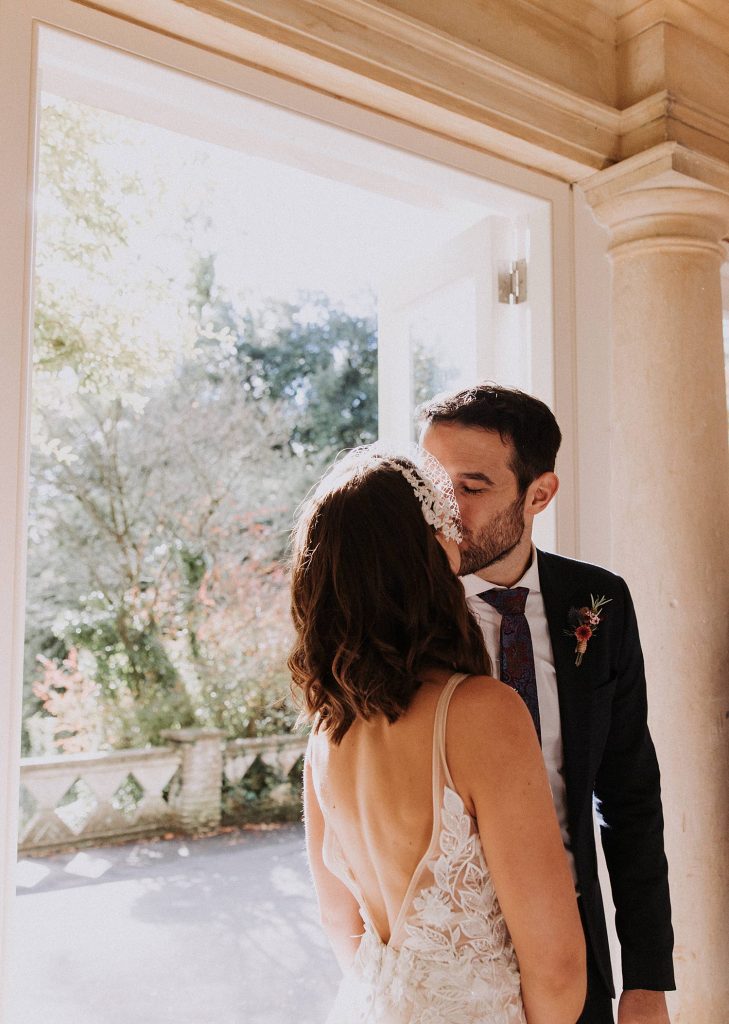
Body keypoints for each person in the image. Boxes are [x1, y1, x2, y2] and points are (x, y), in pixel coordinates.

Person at [289, 445, 586, 1024]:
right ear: (425, 562)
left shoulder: (326, 732)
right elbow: (557, 969)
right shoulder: (482, 715)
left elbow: (339, 922)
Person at [418, 384, 675, 1024]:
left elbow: (630, 795)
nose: (442, 509)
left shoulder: (599, 602)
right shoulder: (400, 616)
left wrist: (646, 981)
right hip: (449, 960)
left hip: (576, 950)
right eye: (431, 483)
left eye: (471, 487)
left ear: (539, 494)